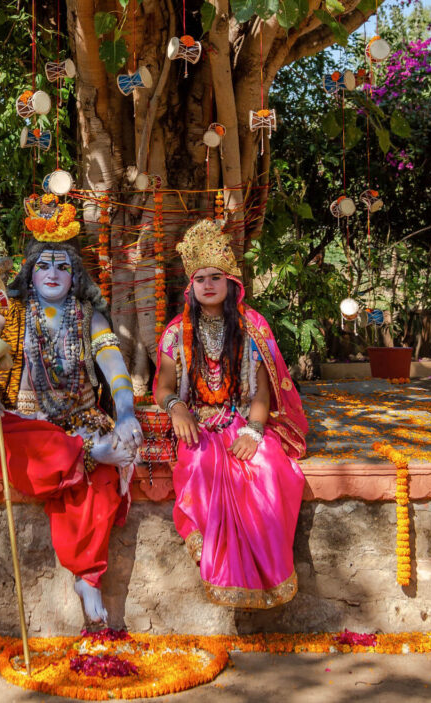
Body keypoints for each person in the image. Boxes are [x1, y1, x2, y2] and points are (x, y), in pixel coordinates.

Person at [0, 194, 144, 624]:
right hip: (27, 428)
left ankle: (88, 576)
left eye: (63, 266)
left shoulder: (90, 317)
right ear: (29, 273)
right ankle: (87, 455)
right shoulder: (8, 314)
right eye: (44, 265)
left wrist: (126, 412)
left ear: (75, 276)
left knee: (102, 479)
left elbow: (114, 368)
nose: (54, 274)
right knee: (15, 438)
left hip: (80, 420)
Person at [153, 218, 309, 609]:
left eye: (216, 277)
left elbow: (262, 392)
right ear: (190, 286)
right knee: (200, 467)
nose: (208, 285)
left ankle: (268, 576)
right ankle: (219, 568)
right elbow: (164, 387)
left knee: (267, 467)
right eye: (200, 278)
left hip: (242, 419)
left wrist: (254, 432)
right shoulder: (176, 332)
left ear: (231, 282)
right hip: (198, 423)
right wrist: (177, 409)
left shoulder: (252, 327)